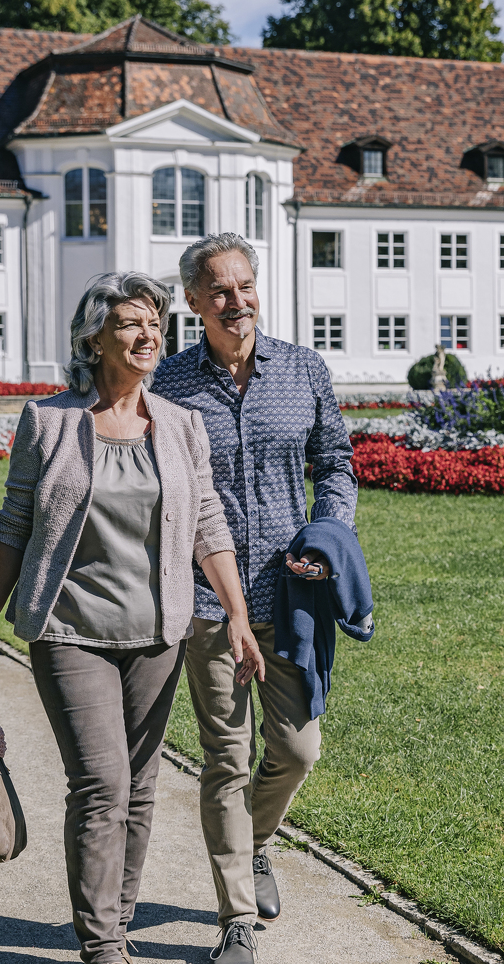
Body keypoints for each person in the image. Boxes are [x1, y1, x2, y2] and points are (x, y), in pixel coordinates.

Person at [0, 271, 264, 964]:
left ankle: (115, 918)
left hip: (158, 632)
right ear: (94, 337)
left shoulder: (182, 425)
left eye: (155, 324)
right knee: (101, 784)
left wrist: (238, 615)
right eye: (131, 323)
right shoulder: (50, 422)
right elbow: (13, 526)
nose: (147, 336)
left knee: (140, 789)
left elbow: (208, 523)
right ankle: (101, 945)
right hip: (72, 630)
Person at [153, 233, 358, 963]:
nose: (236, 301)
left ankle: (257, 840)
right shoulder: (169, 383)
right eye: (219, 290)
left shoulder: (302, 368)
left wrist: (329, 534)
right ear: (193, 301)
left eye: (245, 286)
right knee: (225, 758)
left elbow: (334, 462)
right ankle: (236, 919)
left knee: (299, 748)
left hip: (292, 595)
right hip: (208, 603)